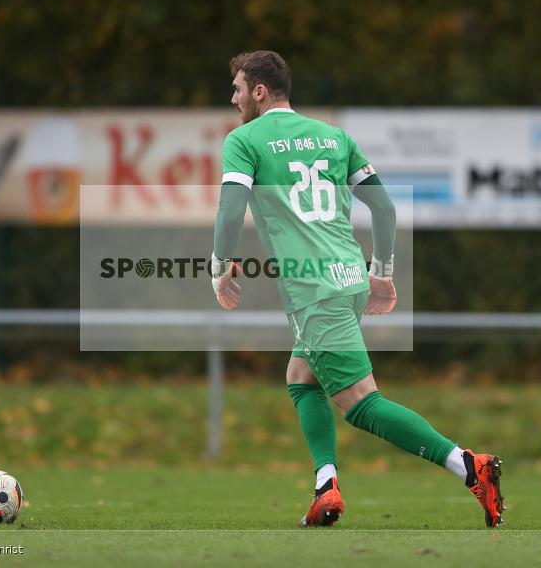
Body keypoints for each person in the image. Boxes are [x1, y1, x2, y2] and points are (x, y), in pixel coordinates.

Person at [210, 50, 505, 528]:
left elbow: (228, 212)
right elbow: (384, 209)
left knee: (361, 404)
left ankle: (470, 466)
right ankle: (326, 486)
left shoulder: (244, 140)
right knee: (301, 376)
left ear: (260, 92)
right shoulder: (334, 136)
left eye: (238, 89)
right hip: (348, 278)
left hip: (314, 290)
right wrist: (382, 272)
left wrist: (220, 266)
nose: (234, 98)